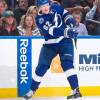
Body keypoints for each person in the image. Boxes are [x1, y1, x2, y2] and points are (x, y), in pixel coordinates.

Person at [24, 0, 82, 99]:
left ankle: (76, 90)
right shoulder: (39, 19)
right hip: (50, 45)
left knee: (67, 64)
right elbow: (52, 31)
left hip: (64, 41)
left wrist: (70, 22)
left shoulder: (55, 7)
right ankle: (32, 90)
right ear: (39, 7)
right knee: (41, 67)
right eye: (43, 6)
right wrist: (67, 31)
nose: (46, 7)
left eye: (47, 5)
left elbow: (65, 14)